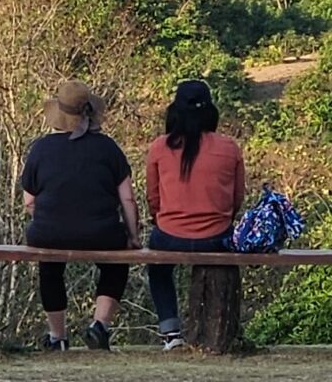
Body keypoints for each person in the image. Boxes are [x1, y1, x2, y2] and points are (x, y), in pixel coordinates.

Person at [21, 79, 140, 352]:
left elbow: (29, 201)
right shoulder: (108, 148)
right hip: (102, 232)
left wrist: (52, 217)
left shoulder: (41, 148)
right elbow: (127, 198)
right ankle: (99, 325)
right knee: (116, 264)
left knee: (50, 267)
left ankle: (57, 336)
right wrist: (133, 236)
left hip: (49, 232)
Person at [146, 79, 245, 351]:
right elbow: (237, 198)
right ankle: (220, 332)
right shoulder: (229, 147)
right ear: (210, 112)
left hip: (168, 235)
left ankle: (171, 331)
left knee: (157, 269)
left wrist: (164, 220)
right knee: (223, 262)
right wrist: (219, 220)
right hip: (217, 236)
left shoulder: (158, 147)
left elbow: (153, 198)